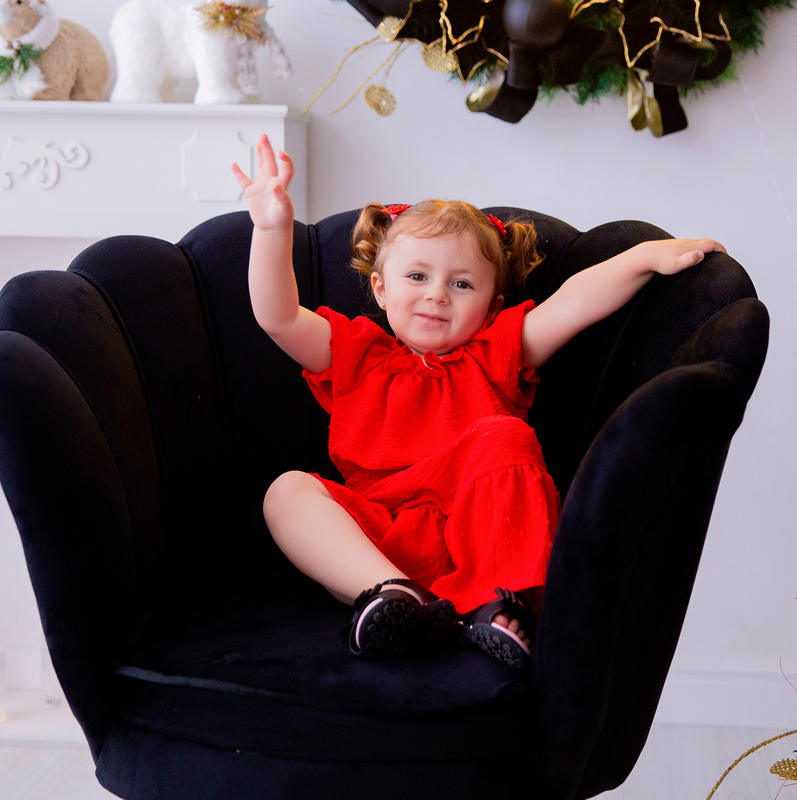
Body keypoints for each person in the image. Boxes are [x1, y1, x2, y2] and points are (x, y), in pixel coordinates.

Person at [231, 134, 725, 669]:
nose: (437, 294)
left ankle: (500, 606)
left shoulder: (495, 352)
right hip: (376, 538)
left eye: (461, 284)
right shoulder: (352, 350)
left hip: (474, 537)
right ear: (379, 288)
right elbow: (277, 316)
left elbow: (573, 304)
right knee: (287, 493)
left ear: (492, 304)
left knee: (505, 435)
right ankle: (390, 597)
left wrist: (644, 257)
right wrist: (271, 228)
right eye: (417, 276)